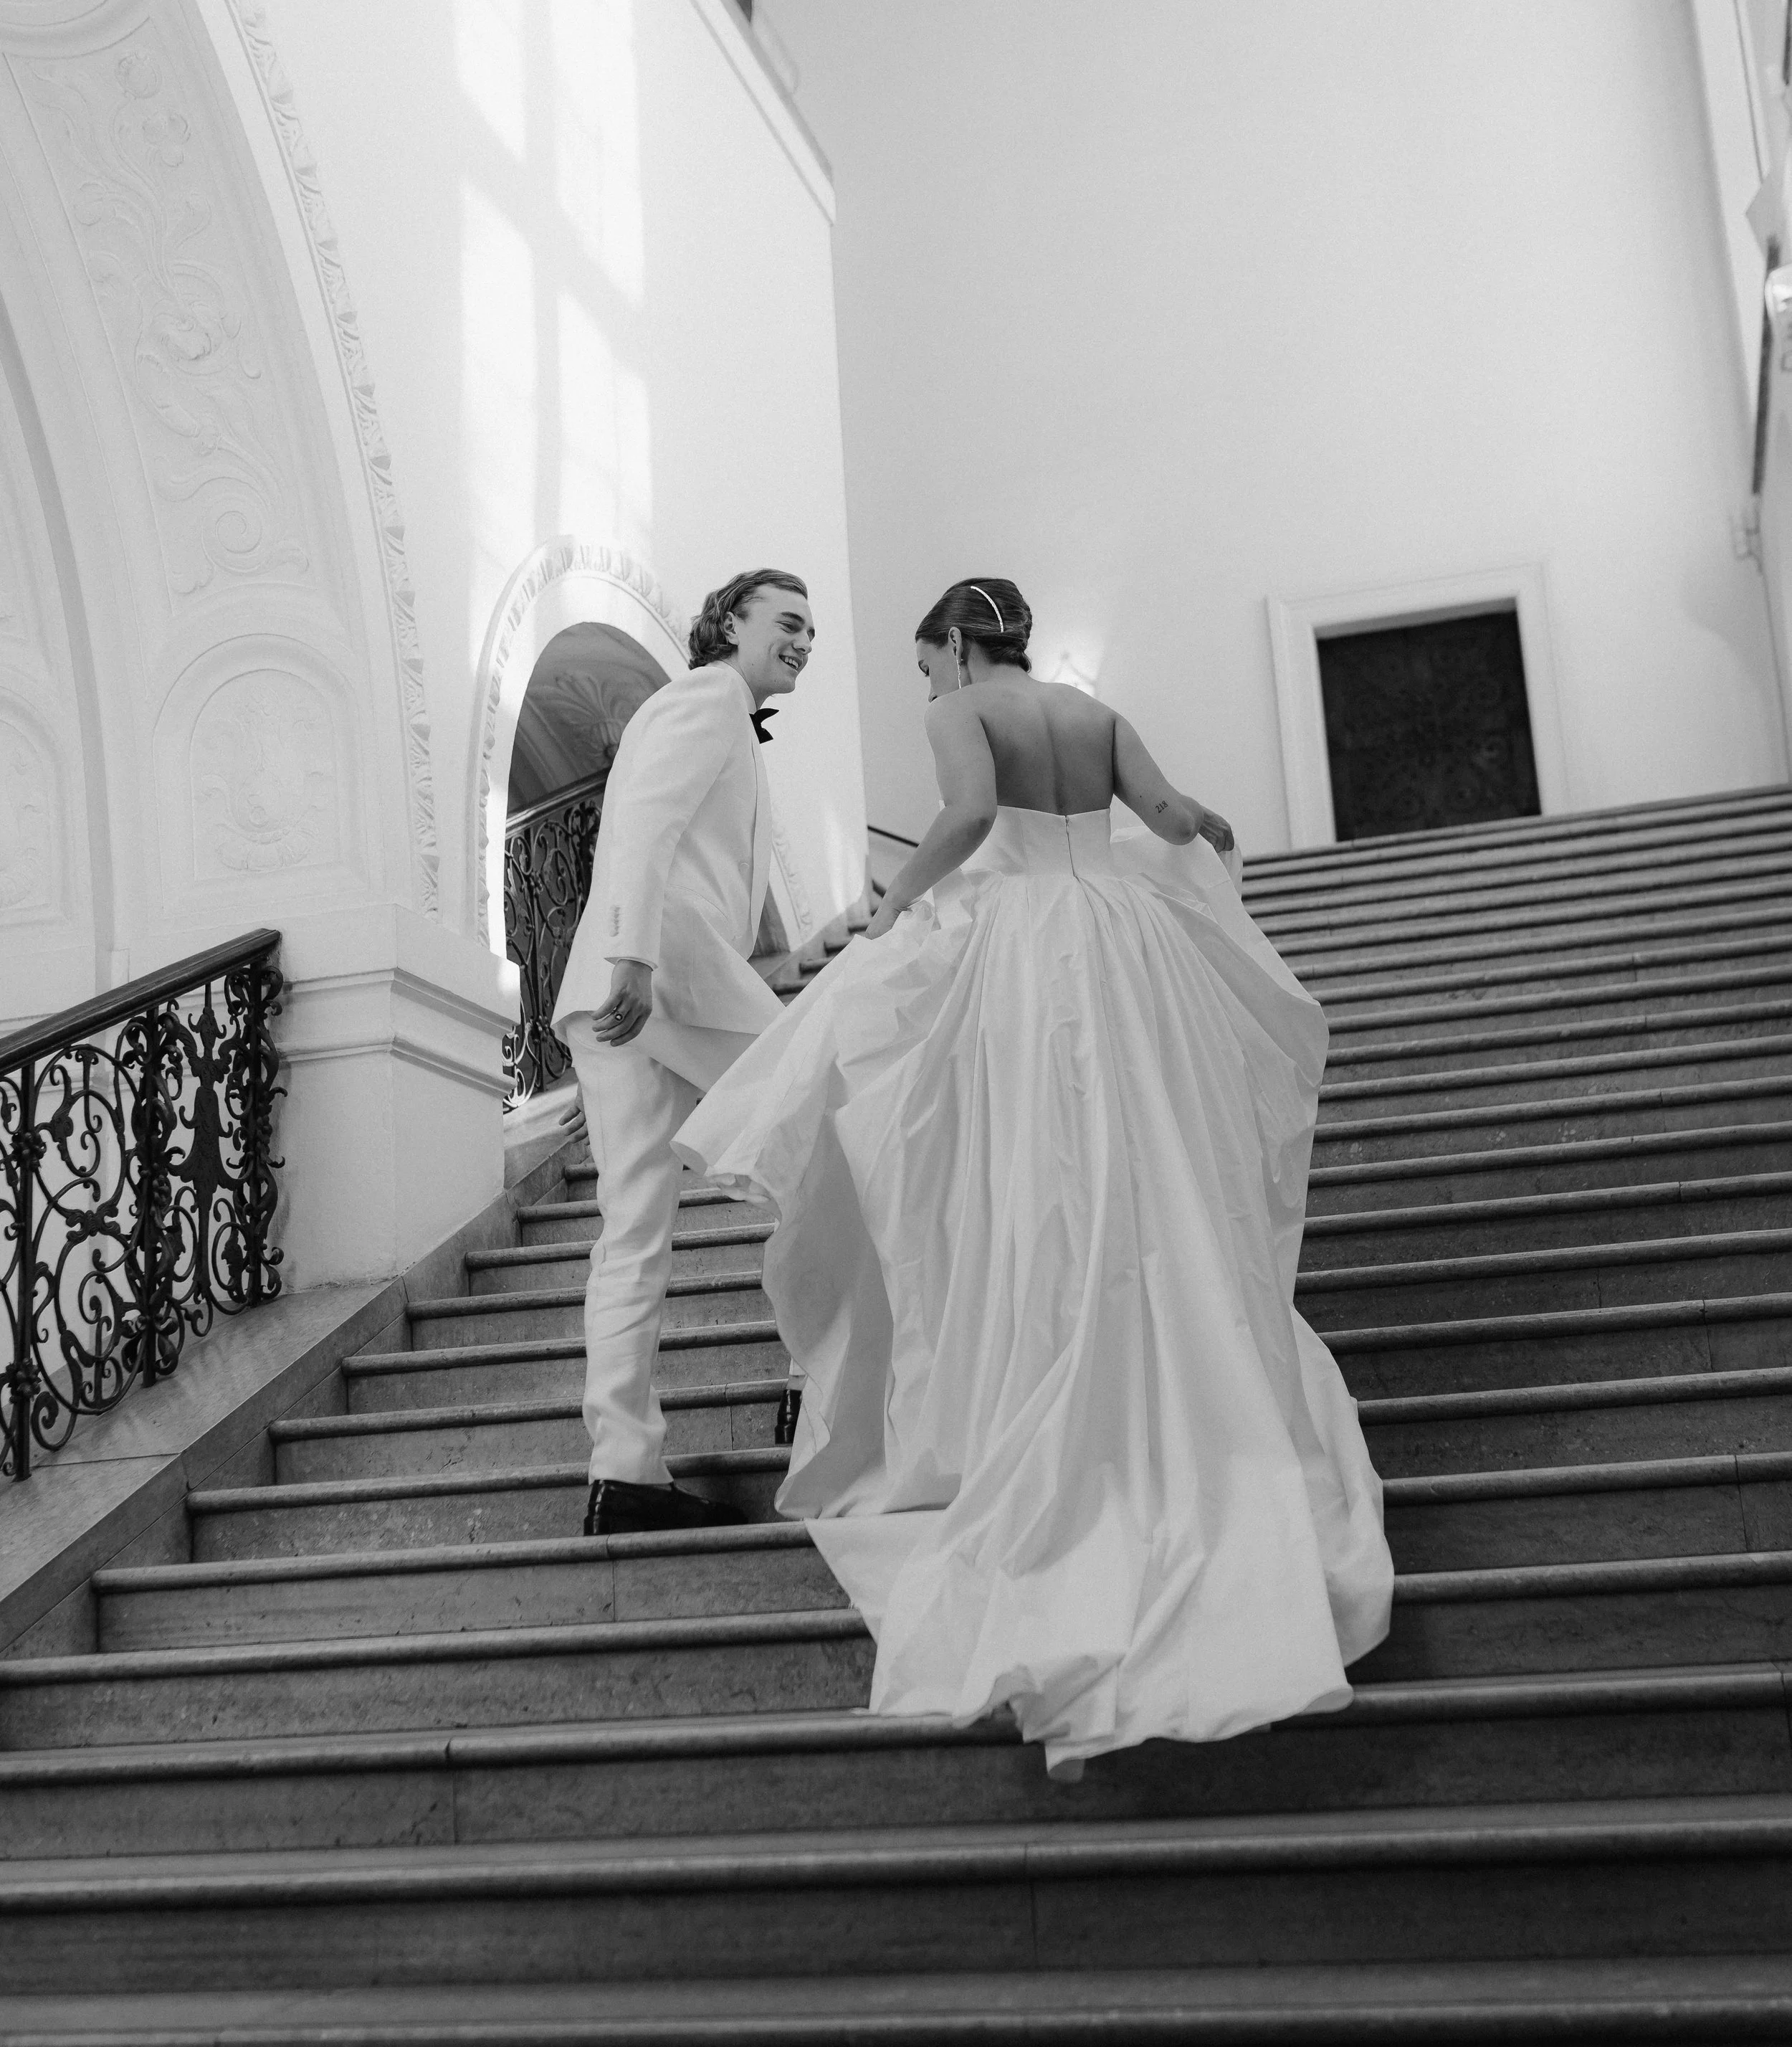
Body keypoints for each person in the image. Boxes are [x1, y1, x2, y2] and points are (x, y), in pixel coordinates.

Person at [677, 576, 1392, 1777]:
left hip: (1029, 950)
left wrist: (890, 904)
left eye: (929, 667)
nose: (932, 688)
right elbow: (1165, 810)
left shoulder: (968, 714)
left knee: (1041, 1157)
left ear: (959, 643)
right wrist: (1206, 833)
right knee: (1145, 1148)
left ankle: (1058, 1345)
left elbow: (962, 819)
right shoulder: (1086, 707)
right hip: (1124, 935)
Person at [553, 568, 814, 1537]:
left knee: (632, 1235)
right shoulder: (706, 699)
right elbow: (647, 829)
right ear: (730, 623)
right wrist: (631, 961)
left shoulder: (707, 712)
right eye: (787, 622)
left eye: (811, 630)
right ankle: (820, 1373)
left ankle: (623, 1469)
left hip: (630, 991)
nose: (803, 640)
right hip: (662, 978)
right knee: (824, 1127)